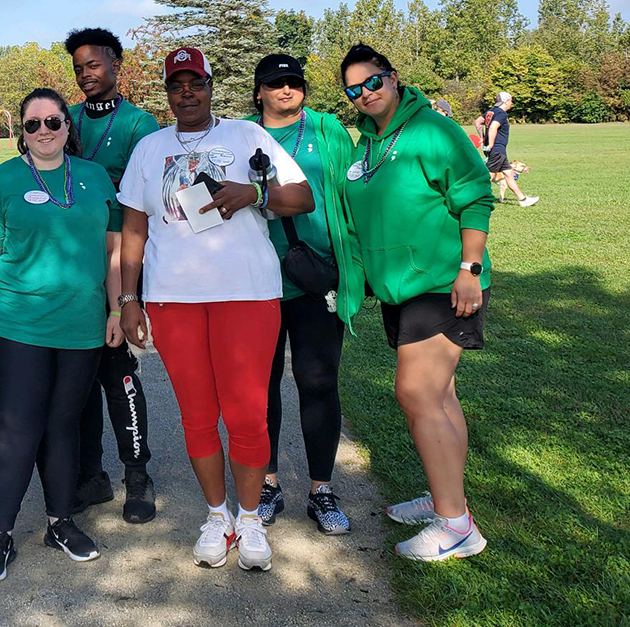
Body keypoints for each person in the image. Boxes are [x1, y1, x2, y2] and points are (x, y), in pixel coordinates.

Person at [117, 47, 313, 572]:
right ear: (167, 92)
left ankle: (250, 519)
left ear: (210, 85)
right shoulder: (149, 149)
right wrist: (128, 297)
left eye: (195, 82)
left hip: (246, 294)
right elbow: (134, 229)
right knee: (198, 414)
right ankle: (217, 515)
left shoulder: (247, 136)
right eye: (177, 84)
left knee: (247, 412)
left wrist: (254, 193)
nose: (187, 92)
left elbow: (303, 196)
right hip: (173, 298)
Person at [0, 88, 123, 582]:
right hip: (16, 326)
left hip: (81, 327)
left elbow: (112, 252)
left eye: (53, 122)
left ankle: (59, 522)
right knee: (14, 429)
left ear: (68, 127)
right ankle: (1, 535)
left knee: (63, 425)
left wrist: (117, 308)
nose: (43, 131)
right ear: (21, 132)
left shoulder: (93, 179)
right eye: (32, 124)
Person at [336, 43, 492, 561]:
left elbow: (474, 195)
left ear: (394, 77)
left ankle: (457, 526)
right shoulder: (367, 145)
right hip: (400, 289)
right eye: (354, 89)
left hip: (445, 283)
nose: (365, 94)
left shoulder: (432, 129)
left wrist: (469, 270)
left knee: (417, 393)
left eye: (373, 82)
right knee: (440, 397)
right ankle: (445, 496)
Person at [242, 53, 356, 535]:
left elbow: (352, 195)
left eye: (293, 82)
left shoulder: (328, 130)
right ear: (259, 91)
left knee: (317, 381)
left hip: (315, 277)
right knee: (261, 386)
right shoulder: (239, 133)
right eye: (275, 83)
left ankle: (320, 488)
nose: (286, 90)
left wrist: (358, 268)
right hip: (254, 280)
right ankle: (268, 484)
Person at [63, 27, 160, 524]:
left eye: (94, 65)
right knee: (79, 372)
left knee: (116, 369)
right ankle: (90, 474)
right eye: (79, 68)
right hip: (74, 266)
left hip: (122, 261)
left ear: (117, 64)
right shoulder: (66, 119)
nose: (85, 75)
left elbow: (149, 193)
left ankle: (137, 475)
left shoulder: (140, 125)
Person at [483, 92, 537, 207]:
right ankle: (472, 197)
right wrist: (491, 143)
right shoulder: (501, 114)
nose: (511, 103)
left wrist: (484, 139)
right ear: (506, 101)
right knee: (489, 176)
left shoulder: (490, 112)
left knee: (509, 174)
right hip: (497, 149)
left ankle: (523, 200)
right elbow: (493, 127)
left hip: (499, 149)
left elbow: (478, 122)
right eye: (511, 101)